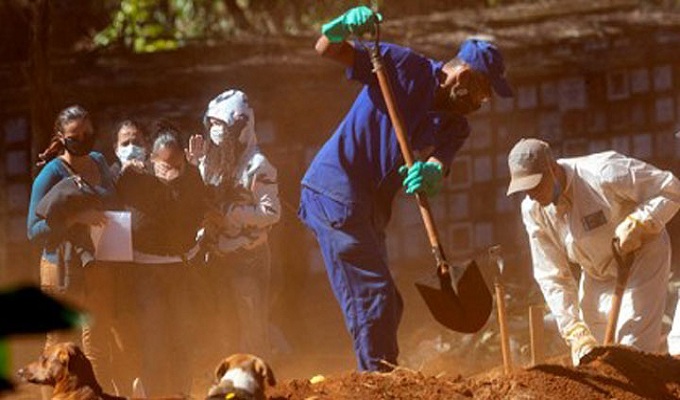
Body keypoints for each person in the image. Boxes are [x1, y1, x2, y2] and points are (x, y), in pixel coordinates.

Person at [297, 6, 514, 372]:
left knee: (390, 303)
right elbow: (327, 48)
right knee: (374, 297)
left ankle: (379, 373)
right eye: (481, 91)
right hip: (336, 191)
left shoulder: (455, 125)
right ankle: (378, 382)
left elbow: (440, 161)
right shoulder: (402, 66)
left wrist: (431, 172)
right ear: (461, 74)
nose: (482, 102)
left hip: (370, 206)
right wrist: (339, 27)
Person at [506, 137, 680, 365]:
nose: (531, 195)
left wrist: (642, 222)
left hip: (640, 262)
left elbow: (670, 188)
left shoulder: (604, 172)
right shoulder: (533, 211)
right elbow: (551, 275)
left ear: (552, 168)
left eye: (535, 185)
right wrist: (573, 328)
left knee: (630, 351)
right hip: (596, 273)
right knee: (588, 357)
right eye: (525, 189)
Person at [27, 105, 118, 395]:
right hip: (60, 266)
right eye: (76, 135)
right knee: (57, 346)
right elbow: (33, 230)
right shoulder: (51, 175)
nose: (84, 138)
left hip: (96, 261)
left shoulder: (99, 162)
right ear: (61, 137)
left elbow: (114, 199)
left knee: (97, 343)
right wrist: (75, 219)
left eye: (88, 132)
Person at [187, 89, 281, 360]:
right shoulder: (215, 160)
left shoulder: (258, 165)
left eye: (221, 125)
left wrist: (230, 215)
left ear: (239, 126)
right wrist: (196, 164)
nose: (215, 131)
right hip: (216, 258)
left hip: (248, 259)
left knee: (252, 331)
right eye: (212, 125)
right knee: (222, 328)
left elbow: (271, 212)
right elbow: (205, 193)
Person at [115, 123, 207, 396]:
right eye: (164, 163)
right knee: (153, 340)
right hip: (146, 272)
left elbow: (193, 214)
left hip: (180, 269)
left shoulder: (189, 178)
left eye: (176, 163)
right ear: (151, 159)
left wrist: (186, 175)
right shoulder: (134, 178)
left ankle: (182, 392)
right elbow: (119, 207)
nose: (170, 169)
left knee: (182, 336)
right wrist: (125, 173)